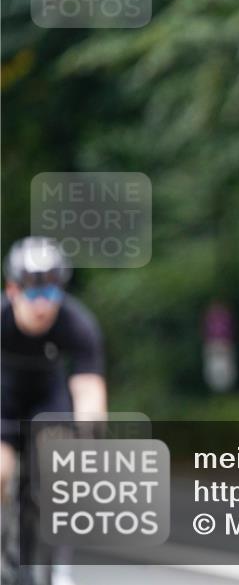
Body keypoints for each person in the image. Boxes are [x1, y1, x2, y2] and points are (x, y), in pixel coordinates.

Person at [1, 237, 106, 585]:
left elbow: (89, 389)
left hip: (49, 399)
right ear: (13, 290)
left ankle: (58, 565)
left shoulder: (77, 323)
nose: (43, 303)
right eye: (33, 293)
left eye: (52, 292)